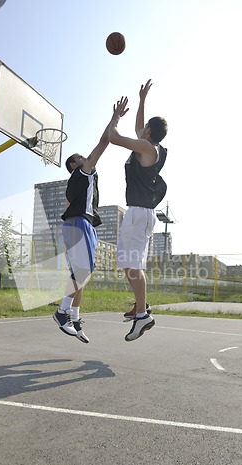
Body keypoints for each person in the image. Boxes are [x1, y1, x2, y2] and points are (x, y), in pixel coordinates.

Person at [53, 101, 128, 343]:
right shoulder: (82, 172)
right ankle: (62, 311)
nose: (87, 159)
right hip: (78, 224)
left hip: (80, 225)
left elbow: (66, 206)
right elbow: (104, 142)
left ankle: (74, 316)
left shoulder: (78, 184)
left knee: (82, 274)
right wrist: (115, 120)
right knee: (83, 270)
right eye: (82, 158)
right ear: (75, 165)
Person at [109, 81, 168, 342]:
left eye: (142, 128)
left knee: (132, 264)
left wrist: (114, 118)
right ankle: (140, 306)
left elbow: (114, 138)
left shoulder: (146, 148)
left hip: (139, 212)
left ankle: (143, 314)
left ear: (148, 132)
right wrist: (142, 99)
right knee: (127, 263)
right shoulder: (149, 146)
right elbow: (137, 128)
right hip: (139, 213)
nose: (140, 129)